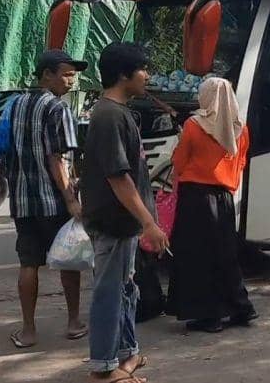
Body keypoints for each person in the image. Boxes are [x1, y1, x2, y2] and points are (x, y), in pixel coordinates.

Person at [81, 42, 168, 383]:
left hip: (124, 224)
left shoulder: (118, 113)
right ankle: (104, 369)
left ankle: (125, 354)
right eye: (143, 69)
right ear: (123, 74)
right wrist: (149, 224)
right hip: (114, 223)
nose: (147, 76)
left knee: (125, 289)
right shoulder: (109, 116)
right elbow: (118, 179)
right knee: (109, 294)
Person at [5, 50, 88, 348]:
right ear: (47, 74)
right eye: (66, 74)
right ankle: (74, 321)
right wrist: (71, 200)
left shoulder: (16, 105)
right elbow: (59, 160)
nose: (71, 80)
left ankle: (28, 331)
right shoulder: (57, 109)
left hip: (23, 200)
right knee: (69, 260)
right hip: (54, 201)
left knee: (28, 263)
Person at [167, 77, 256, 333]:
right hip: (224, 198)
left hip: (196, 197)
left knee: (197, 256)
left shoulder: (194, 126)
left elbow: (180, 162)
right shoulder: (241, 129)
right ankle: (240, 306)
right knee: (225, 254)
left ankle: (209, 315)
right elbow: (240, 163)